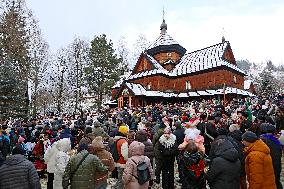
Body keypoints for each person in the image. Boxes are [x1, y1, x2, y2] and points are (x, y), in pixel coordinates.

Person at [259, 124, 282, 189]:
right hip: (277, 165)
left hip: (268, 167)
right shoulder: (276, 141)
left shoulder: (263, 140)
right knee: (276, 181)